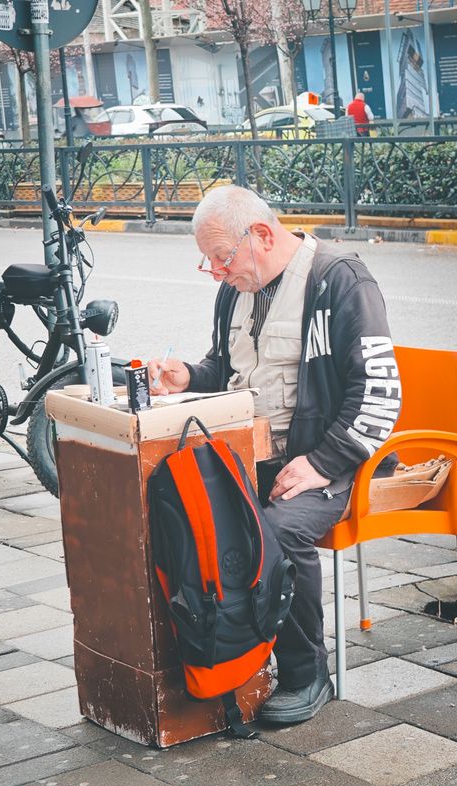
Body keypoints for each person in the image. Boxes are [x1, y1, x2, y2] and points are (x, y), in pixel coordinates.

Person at [149, 186, 400, 725]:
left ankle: (308, 674)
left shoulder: (340, 281)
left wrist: (321, 464)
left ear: (261, 236)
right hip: (256, 456)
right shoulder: (237, 288)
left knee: (277, 531)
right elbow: (228, 366)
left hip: (334, 460)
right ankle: (226, 655)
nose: (215, 272)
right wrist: (189, 375)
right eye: (208, 261)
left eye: (221, 258)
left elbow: (379, 395)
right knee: (185, 509)